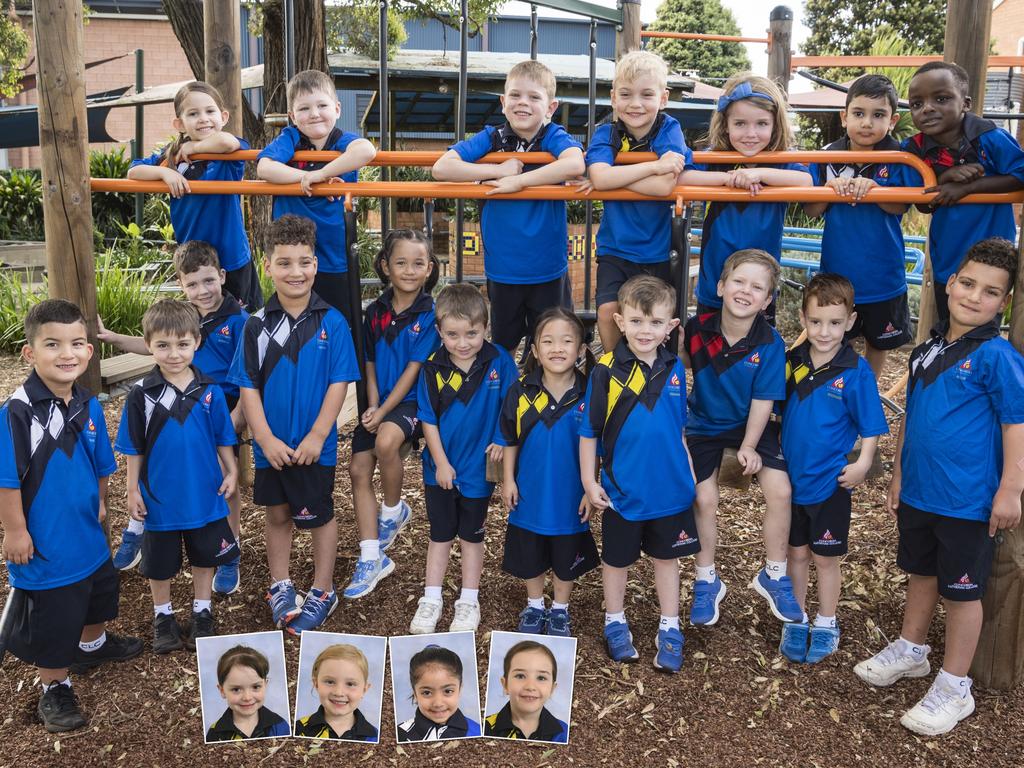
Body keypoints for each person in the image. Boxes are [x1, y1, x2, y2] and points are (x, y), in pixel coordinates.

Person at [855, 238, 1024, 736]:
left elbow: (1017, 424)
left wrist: (1011, 490)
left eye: (991, 292)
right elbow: (913, 415)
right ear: (949, 284)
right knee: (921, 572)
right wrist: (900, 476)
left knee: (961, 592)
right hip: (921, 492)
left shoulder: (997, 357)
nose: (974, 297)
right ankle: (912, 650)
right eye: (967, 283)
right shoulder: (927, 349)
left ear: (1005, 302)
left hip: (968, 499)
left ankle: (955, 685)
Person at [0, 300, 142, 733]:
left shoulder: (87, 402)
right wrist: (15, 531)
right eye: (53, 344)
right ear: (30, 353)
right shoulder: (17, 414)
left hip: (87, 534)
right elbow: (6, 481)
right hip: (45, 542)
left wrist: (100, 503)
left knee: (98, 593)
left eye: (77, 343)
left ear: (89, 350)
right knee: (56, 616)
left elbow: (100, 464)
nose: (68, 354)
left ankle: (92, 644)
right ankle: (54, 686)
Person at [228, 214, 360, 635]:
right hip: (273, 447)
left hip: (313, 446)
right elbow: (247, 386)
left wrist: (319, 435)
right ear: (267, 266)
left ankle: (323, 589)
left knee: (318, 515)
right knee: (278, 513)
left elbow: (340, 382)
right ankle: (280, 584)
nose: (295, 272)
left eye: (304, 262)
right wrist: (264, 439)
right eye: (284, 262)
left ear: (316, 265)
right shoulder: (255, 325)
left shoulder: (333, 322)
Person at [103, 241, 248, 596]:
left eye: (209, 281)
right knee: (159, 464)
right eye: (193, 284)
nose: (203, 291)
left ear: (222, 277)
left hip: (221, 407)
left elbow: (249, 377)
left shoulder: (239, 320)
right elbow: (157, 342)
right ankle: (139, 528)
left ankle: (229, 552)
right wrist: (113, 338)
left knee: (223, 480)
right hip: (176, 400)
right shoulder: (185, 317)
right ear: (181, 285)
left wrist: (233, 421)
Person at [580, 276, 696, 673]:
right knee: (617, 561)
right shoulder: (606, 371)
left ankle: (670, 625)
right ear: (620, 321)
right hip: (622, 491)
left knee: (668, 560)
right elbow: (588, 433)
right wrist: (589, 482)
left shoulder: (675, 368)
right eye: (637, 321)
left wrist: (690, 475)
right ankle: (614, 620)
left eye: (656, 322)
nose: (646, 330)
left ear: (671, 327)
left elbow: (678, 428)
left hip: (671, 491)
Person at [432, 60, 585, 352]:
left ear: (551, 107)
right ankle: (506, 395)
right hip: (504, 269)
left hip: (548, 269)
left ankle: (546, 394)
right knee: (504, 345)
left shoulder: (552, 136)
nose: (522, 103)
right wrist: (496, 171)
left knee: (552, 344)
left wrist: (520, 182)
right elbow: (442, 167)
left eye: (534, 97)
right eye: (515, 95)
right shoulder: (493, 138)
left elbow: (575, 163)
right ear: (503, 102)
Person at [114, 300, 240, 653]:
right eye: (163, 345)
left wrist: (231, 471)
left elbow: (223, 438)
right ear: (149, 344)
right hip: (160, 498)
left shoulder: (210, 391)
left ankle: (202, 612)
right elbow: (133, 447)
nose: (173, 354)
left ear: (196, 342)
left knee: (204, 556)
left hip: (204, 492)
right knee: (161, 563)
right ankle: (163, 616)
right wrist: (131, 489)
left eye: (182, 344)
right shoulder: (141, 395)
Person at [682, 250, 799, 627]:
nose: (745, 291)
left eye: (757, 287)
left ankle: (774, 573)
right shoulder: (696, 328)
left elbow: (764, 401)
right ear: (720, 286)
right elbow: (675, 366)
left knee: (780, 490)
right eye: (738, 281)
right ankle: (706, 579)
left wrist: (749, 445)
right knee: (703, 497)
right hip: (703, 424)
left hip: (753, 424)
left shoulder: (769, 343)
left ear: (767, 301)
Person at [777, 275, 888, 664]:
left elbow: (871, 425)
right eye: (816, 322)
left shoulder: (855, 371)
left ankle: (826, 622)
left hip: (831, 482)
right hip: (791, 482)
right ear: (803, 320)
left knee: (825, 558)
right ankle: (796, 618)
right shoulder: (791, 364)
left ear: (851, 320)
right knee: (795, 555)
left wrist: (864, 462)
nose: (825, 332)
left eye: (835, 322)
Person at [583, 50, 711, 351]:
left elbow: (667, 185)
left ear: (663, 98)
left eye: (646, 94)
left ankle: (658, 376)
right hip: (616, 247)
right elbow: (601, 178)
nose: (635, 104)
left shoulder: (668, 128)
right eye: (626, 94)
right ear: (614, 97)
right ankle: (616, 369)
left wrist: (619, 176)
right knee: (608, 311)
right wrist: (653, 166)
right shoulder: (606, 133)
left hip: (659, 250)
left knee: (658, 319)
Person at [408, 284, 518, 634]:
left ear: (485, 327)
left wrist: (501, 439)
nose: (463, 342)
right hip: (441, 469)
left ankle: (469, 600)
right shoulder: (431, 369)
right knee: (440, 535)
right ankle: (431, 598)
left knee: (472, 537)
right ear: (439, 332)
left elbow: (512, 405)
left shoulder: (499, 360)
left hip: (477, 470)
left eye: (472, 333)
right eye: (453, 334)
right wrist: (440, 462)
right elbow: (428, 419)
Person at [345, 230, 440, 600]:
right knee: (356, 469)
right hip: (380, 399)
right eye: (400, 262)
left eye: (418, 263)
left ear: (429, 268)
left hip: (412, 401)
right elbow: (369, 363)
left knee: (386, 441)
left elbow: (414, 371)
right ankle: (372, 556)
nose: (409, 270)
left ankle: (393, 509)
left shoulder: (429, 314)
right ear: (385, 266)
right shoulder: (375, 312)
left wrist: (383, 411)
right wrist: (371, 405)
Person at [803, 74, 914, 380]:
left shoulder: (900, 157)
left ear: (893, 120)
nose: (867, 123)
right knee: (836, 337)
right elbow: (811, 210)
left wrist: (876, 189)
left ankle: (869, 392)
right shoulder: (828, 156)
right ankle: (835, 389)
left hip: (883, 275)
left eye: (878, 115)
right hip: (837, 273)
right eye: (859, 113)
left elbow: (901, 206)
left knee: (879, 343)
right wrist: (829, 189)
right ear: (844, 116)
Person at [497, 308, 599, 636]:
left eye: (567, 341)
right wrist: (508, 479)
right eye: (548, 341)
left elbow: (596, 446)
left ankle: (560, 609)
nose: (558, 348)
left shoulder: (590, 393)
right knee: (530, 550)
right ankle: (535, 603)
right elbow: (509, 440)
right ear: (536, 351)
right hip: (530, 491)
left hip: (570, 493)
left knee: (567, 551)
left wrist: (589, 487)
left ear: (581, 349)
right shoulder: (521, 391)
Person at [902, 62, 1024, 323]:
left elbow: (1020, 173)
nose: (928, 108)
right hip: (949, 258)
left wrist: (969, 187)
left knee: (984, 327)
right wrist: (943, 177)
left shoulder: (989, 137)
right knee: (949, 324)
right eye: (917, 104)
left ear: (966, 103)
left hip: (994, 257)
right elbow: (921, 203)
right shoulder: (914, 149)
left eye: (941, 98)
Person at [687, 73, 813, 325]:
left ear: (775, 125)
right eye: (740, 123)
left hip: (759, 289)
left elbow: (806, 182)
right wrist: (728, 178)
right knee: (707, 353)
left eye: (762, 124)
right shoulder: (715, 159)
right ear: (725, 125)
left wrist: (760, 173)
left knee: (756, 355)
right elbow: (682, 178)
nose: (751, 134)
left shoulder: (782, 162)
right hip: (716, 282)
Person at [127, 81, 262, 311]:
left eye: (210, 111)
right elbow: (133, 171)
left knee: (244, 321)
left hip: (230, 257)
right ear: (179, 124)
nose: (203, 118)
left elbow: (227, 141)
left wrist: (194, 149)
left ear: (224, 117)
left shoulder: (226, 154)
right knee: (203, 320)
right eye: (193, 113)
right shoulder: (171, 155)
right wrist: (164, 172)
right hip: (194, 260)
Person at [257, 69, 377, 316]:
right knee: (295, 316)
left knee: (339, 319)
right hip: (293, 254)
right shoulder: (291, 138)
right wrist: (306, 178)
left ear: (337, 109)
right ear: (292, 115)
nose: (314, 114)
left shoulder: (340, 141)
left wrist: (321, 174)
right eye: (303, 109)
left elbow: (366, 151)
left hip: (333, 255)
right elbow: (264, 167)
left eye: (322, 105)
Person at [484, 640, 568, 743]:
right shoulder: (486, 727)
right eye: (520, 676)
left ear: (552, 689)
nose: (530, 686)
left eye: (541, 678)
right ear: (505, 685)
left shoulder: (564, 732)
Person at [294, 644, 378, 741]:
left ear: (364, 689)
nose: (339, 692)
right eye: (330, 682)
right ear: (316, 684)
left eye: (350, 684)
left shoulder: (374, 736)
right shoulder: (299, 729)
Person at [397, 644, 481, 741]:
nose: (438, 703)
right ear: (415, 693)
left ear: (460, 689)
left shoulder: (478, 731)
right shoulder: (400, 734)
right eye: (427, 693)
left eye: (447, 691)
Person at [206, 645, 290, 741]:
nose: (247, 697)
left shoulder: (280, 726)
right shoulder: (215, 734)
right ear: (222, 691)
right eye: (236, 689)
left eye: (255, 687)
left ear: (265, 685)